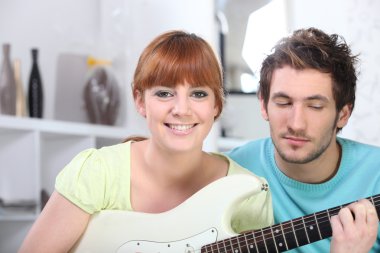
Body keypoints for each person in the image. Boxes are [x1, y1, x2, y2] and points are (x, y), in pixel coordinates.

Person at [18, 30, 273, 252]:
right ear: (140, 101)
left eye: (198, 93)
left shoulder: (249, 194)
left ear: (216, 104)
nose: (181, 109)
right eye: (164, 93)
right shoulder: (97, 173)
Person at [227, 27, 380, 252]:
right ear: (263, 105)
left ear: (343, 114)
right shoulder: (229, 170)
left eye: (315, 106)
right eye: (283, 103)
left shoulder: (376, 174)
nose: (296, 123)